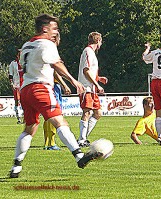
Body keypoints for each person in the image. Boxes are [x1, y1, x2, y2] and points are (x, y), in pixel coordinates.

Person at [9, 14, 102, 178]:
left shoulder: (26, 45)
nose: (56, 31)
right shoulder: (47, 43)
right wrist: (73, 80)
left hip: (25, 90)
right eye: (54, 28)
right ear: (45, 29)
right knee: (60, 121)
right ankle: (79, 156)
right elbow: (57, 63)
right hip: (41, 88)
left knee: (30, 129)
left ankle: (16, 166)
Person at [77, 32, 108, 147]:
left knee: (98, 113)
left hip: (92, 88)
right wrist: (98, 85)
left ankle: (83, 138)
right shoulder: (88, 51)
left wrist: (99, 79)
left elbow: (90, 71)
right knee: (87, 112)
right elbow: (86, 71)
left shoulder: (91, 53)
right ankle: (81, 140)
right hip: (86, 87)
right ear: (98, 41)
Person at [43, 32, 71, 150]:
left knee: (49, 115)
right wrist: (65, 84)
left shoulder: (44, 50)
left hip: (47, 84)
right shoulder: (51, 51)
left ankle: (49, 142)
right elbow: (55, 71)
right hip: (53, 85)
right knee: (54, 114)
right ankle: (51, 143)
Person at [8, 49, 24, 124]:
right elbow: (10, 75)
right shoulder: (13, 64)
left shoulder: (25, 63)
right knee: (17, 101)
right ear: (17, 55)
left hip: (24, 84)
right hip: (16, 85)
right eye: (19, 54)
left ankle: (25, 118)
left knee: (25, 101)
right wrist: (11, 84)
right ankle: (18, 118)